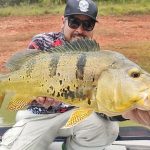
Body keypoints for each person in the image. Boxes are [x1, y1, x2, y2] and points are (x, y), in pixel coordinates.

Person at [0, 0, 150, 150]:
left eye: (87, 25)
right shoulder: (42, 43)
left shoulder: (98, 58)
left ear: (93, 28)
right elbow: (25, 88)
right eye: (74, 22)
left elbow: (101, 107)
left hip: (76, 115)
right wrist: (36, 99)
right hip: (40, 116)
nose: (80, 29)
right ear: (63, 21)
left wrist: (128, 112)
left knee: (108, 129)